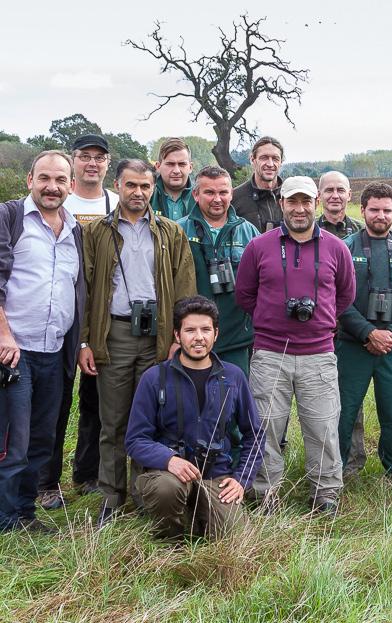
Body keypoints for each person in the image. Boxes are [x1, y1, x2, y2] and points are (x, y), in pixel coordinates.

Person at [79, 158, 196, 527]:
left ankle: (146, 496)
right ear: (118, 185)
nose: (139, 193)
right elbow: (84, 288)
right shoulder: (97, 232)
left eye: (145, 186)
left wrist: (179, 336)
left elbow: (184, 288)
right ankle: (111, 498)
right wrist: (86, 340)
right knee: (112, 421)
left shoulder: (169, 232)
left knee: (152, 421)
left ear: (152, 188)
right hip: (114, 334)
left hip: (157, 338)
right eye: (131, 185)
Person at [235, 175, 355, 514]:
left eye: (305, 202)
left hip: (318, 353)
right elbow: (245, 294)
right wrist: (271, 318)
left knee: (322, 427)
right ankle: (265, 492)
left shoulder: (336, 247)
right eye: (292, 201)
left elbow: (345, 295)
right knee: (267, 426)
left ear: (315, 202)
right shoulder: (260, 246)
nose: (299, 209)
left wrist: (321, 321)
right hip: (271, 353)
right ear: (282, 203)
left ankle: (326, 492)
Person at [126, 296, 263, 540]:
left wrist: (241, 480)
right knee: (167, 490)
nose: (198, 337)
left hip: (215, 476)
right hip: (168, 475)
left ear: (216, 334)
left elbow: (255, 434)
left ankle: (198, 517)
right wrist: (169, 460)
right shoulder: (154, 378)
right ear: (177, 336)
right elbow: (135, 439)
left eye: (205, 330)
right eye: (190, 330)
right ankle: (172, 537)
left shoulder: (233, 377)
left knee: (235, 537)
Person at [0, 151, 84, 533]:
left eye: (60, 180)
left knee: (42, 440)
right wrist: (4, 335)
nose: (52, 187)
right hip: (15, 351)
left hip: (55, 351)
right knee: (12, 443)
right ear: (29, 178)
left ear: (71, 184)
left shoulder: (74, 230)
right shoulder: (10, 218)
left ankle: (23, 515)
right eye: (45, 178)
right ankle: (4, 518)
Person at [38, 134, 118, 509]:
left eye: (98, 158)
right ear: (73, 164)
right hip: (59, 315)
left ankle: (86, 474)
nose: (92, 163)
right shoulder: (57, 201)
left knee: (94, 401)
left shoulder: (114, 203)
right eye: (84, 156)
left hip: (98, 317)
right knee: (54, 404)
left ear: (107, 164)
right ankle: (45, 480)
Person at [337, 182, 392, 478]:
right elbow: (338, 298)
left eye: (386, 210)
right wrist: (367, 332)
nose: (380, 215)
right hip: (353, 345)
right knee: (344, 413)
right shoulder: (344, 249)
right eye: (374, 210)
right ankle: (335, 470)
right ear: (361, 211)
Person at [178, 166, 260, 375]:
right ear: (196, 194)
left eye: (223, 192)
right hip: (191, 338)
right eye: (209, 192)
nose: (217, 199)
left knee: (231, 401)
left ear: (231, 194)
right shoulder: (178, 232)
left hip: (236, 340)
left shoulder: (249, 233)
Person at [315, 170, 367, 478]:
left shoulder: (361, 233)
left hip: (349, 332)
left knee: (351, 401)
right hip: (318, 329)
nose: (335, 195)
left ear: (349, 196)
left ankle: (351, 463)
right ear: (319, 197)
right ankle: (323, 461)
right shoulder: (309, 229)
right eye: (329, 190)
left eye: (341, 190)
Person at [232, 136, 284, 233]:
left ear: (281, 162)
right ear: (253, 159)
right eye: (264, 158)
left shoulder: (291, 196)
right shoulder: (234, 198)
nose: (270, 164)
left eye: (275, 159)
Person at [150, 137, 195, 221]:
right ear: (158, 166)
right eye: (170, 164)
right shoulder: (147, 197)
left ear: (190, 167)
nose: (176, 171)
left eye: (182, 164)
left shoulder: (202, 199)